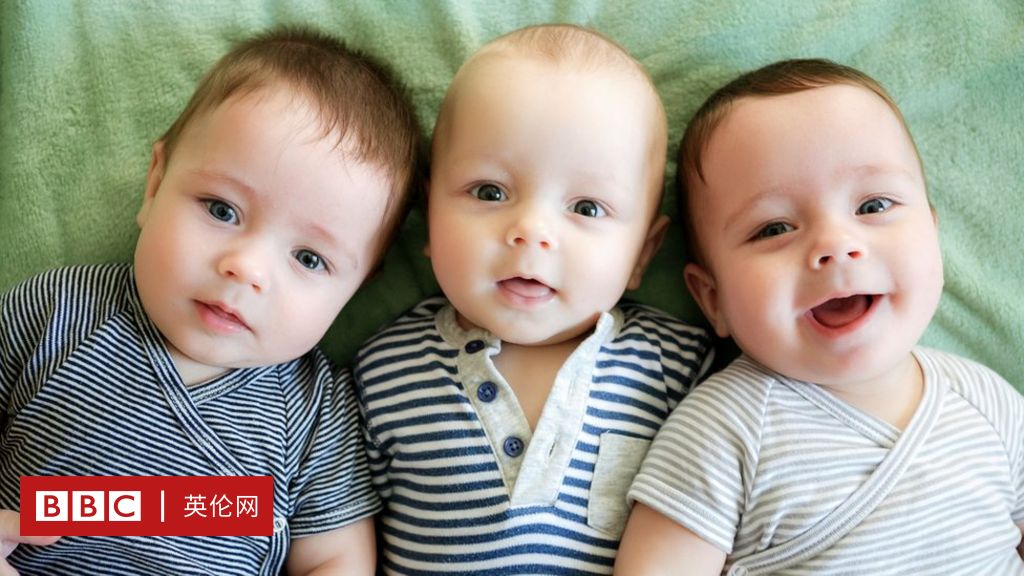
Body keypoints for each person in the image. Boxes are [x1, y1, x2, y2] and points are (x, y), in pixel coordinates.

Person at [0, 26, 420, 575]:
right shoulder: (55, 312)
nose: (247, 268)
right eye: (222, 210)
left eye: (309, 258)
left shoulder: (315, 412)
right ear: (155, 185)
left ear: (354, 290)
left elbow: (338, 558)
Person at [616, 58, 1024, 575]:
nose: (835, 244)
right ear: (712, 298)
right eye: (774, 228)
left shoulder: (990, 402)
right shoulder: (724, 429)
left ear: (932, 231)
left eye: (873, 205)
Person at [353, 24, 712, 575]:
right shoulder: (383, 368)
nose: (531, 231)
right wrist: (207, 510)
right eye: (490, 192)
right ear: (429, 217)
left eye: (587, 208)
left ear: (643, 253)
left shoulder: (680, 367)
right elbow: (324, 522)